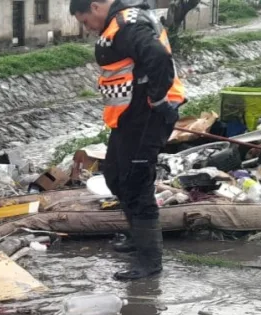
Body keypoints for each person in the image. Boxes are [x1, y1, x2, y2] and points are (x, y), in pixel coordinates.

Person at [70, 0, 185, 281]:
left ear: (96, 6)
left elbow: (158, 58)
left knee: (136, 182)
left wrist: (158, 100)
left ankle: (149, 261)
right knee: (114, 176)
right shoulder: (116, 24)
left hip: (147, 116)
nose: (87, 29)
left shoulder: (127, 24)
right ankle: (138, 237)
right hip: (127, 118)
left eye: (85, 21)